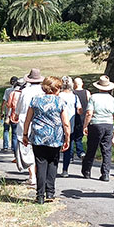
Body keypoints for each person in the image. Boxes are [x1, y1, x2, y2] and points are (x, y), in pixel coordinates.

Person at [23, 76, 70, 204]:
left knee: (40, 163)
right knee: (53, 163)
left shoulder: (35, 100)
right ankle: (50, 192)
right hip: (55, 136)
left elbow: (28, 119)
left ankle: (40, 195)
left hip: (38, 136)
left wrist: (25, 134)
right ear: (55, 88)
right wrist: (67, 138)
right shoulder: (60, 102)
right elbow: (65, 123)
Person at [81, 75, 114, 181]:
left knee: (92, 148)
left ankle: (87, 170)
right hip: (108, 124)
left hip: (96, 124)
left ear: (98, 87)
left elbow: (89, 113)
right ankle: (105, 173)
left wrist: (85, 126)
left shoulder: (94, 97)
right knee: (107, 150)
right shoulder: (112, 99)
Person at [14, 69, 46, 185]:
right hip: (41, 123)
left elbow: (19, 107)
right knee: (39, 149)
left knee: (27, 149)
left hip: (25, 122)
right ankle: (39, 175)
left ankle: (32, 176)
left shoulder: (25, 91)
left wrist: (16, 115)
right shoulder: (43, 91)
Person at [58, 76, 82, 177]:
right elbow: (79, 110)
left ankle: (53, 166)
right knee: (68, 147)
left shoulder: (58, 95)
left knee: (57, 147)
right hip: (70, 125)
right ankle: (65, 169)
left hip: (58, 124)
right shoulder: (74, 96)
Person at [72, 77, 91, 159]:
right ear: (82, 83)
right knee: (79, 136)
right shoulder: (87, 92)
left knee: (72, 136)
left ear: (74, 84)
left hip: (74, 116)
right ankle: (81, 152)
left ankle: (71, 154)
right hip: (84, 117)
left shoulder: (72, 93)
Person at [1, 76, 19, 153]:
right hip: (15, 114)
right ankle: (13, 147)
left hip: (7, 113)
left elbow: (4, 102)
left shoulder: (8, 90)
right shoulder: (20, 92)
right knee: (14, 132)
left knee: (6, 130)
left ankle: (5, 146)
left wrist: (1, 111)